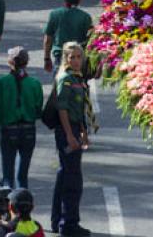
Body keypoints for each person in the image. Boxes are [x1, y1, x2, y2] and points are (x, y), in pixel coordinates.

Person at [0, 47, 43, 190]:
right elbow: (37, 110)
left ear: (9, 62)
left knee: (7, 176)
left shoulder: (1, 83)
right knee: (22, 176)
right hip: (28, 130)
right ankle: (23, 205)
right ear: (27, 62)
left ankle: (8, 205)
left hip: (8, 131)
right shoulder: (35, 84)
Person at [51, 43, 90, 237]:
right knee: (73, 180)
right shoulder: (66, 79)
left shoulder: (77, 78)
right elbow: (63, 109)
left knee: (64, 175)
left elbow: (79, 109)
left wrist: (83, 131)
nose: (75, 60)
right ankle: (69, 224)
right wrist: (70, 135)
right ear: (65, 59)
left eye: (78, 57)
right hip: (67, 130)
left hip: (75, 128)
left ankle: (57, 219)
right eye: (72, 57)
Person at [44, 0, 92, 75]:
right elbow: (90, 41)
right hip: (78, 61)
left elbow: (48, 40)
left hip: (60, 59)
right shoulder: (85, 17)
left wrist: (47, 58)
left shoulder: (55, 14)